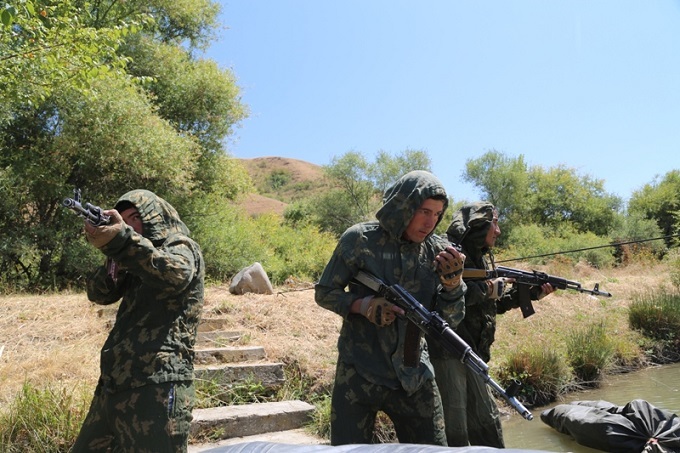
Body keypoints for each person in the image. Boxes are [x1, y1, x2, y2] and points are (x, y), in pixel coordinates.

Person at [314, 170, 467, 446]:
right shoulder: (359, 240)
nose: (430, 222)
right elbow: (325, 292)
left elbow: (450, 320)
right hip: (358, 374)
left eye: (437, 214)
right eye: (423, 211)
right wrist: (363, 305)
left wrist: (453, 286)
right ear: (404, 206)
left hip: (413, 376)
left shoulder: (439, 253)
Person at [71, 189, 205, 453]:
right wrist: (115, 258)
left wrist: (123, 242)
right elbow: (98, 294)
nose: (129, 225)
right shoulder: (133, 258)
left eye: (134, 218)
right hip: (115, 384)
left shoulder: (181, 246)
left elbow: (174, 273)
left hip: (156, 383)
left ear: (155, 217)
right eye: (123, 220)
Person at [430, 202, 555, 447]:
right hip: (449, 355)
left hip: (474, 354)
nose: (498, 231)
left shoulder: (480, 259)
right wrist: (487, 290)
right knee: (456, 429)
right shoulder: (449, 253)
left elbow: (491, 306)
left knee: (487, 425)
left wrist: (532, 294)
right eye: (494, 223)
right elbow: (440, 298)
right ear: (478, 225)